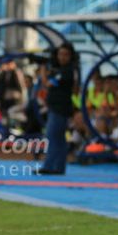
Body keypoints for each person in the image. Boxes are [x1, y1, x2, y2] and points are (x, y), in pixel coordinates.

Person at [38, 43, 76, 175]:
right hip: (55, 107)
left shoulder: (67, 71)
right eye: (60, 54)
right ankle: (58, 167)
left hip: (60, 108)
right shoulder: (59, 70)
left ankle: (49, 166)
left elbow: (47, 84)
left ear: (71, 56)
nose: (62, 57)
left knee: (52, 136)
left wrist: (43, 70)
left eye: (66, 54)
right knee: (59, 138)